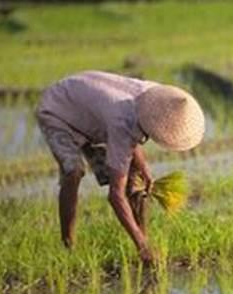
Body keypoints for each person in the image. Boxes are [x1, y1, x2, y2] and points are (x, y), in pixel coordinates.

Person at [35, 71, 205, 265]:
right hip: (58, 110)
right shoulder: (122, 123)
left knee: (136, 179)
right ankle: (68, 247)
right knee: (73, 172)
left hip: (91, 112)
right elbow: (116, 195)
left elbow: (136, 131)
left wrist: (144, 168)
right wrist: (142, 246)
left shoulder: (156, 99)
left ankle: (143, 238)